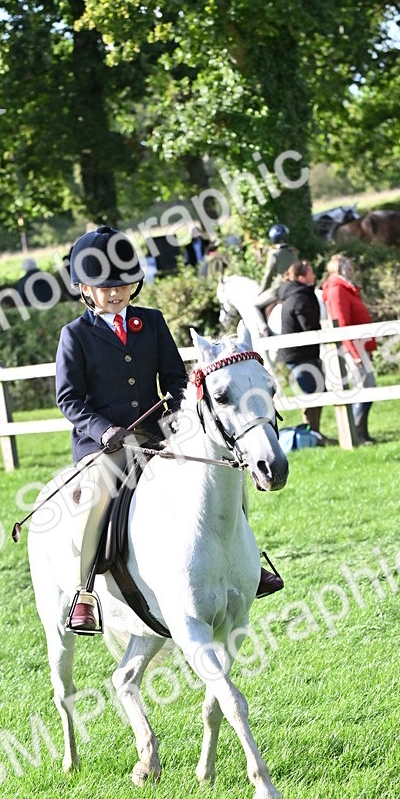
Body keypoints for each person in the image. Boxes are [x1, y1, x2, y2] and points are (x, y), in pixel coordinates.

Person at [55, 225, 283, 634]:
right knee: (96, 499)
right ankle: (83, 591)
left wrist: (180, 417)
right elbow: (69, 400)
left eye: (123, 284)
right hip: (104, 445)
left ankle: (248, 566)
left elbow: (176, 380)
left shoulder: (152, 322)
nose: (116, 293)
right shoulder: (75, 336)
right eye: (105, 287)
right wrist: (105, 430)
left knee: (226, 475)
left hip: (159, 435)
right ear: (85, 289)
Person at [321, 255, 378, 446]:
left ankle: (362, 433)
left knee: (368, 387)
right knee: (365, 388)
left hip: (358, 345)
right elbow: (342, 324)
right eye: (348, 265)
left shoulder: (345, 287)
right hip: (352, 348)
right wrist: (355, 354)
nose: (352, 269)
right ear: (339, 269)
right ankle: (356, 435)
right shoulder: (337, 290)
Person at [274, 262, 330, 439]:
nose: (314, 276)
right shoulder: (299, 297)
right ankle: (311, 434)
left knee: (317, 392)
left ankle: (314, 433)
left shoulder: (300, 294)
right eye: (310, 273)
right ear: (301, 277)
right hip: (299, 354)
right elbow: (309, 328)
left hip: (304, 353)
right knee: (313, 392)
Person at [250, 224, 300, 331]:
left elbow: (268, 275)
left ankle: (263, 329)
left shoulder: (274, 254)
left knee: (254, 305)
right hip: (294, 285)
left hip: (279, 288)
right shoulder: (293, 252)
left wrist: (261, 291)